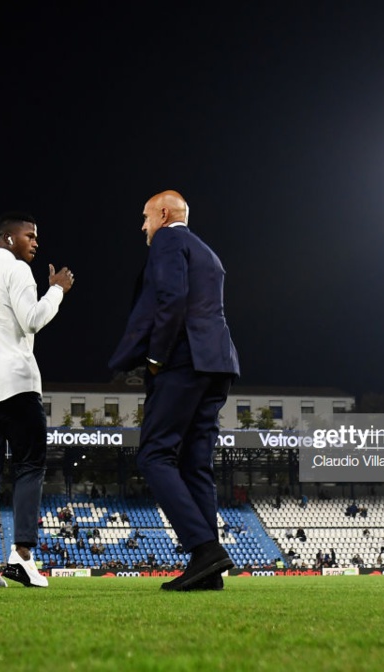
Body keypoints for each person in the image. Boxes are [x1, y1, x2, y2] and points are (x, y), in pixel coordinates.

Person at [109, 190, 239, 592]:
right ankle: (209, 569)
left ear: (163, 214)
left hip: (183, 361)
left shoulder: (168, 240)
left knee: (153, 455)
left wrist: (156, 358)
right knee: (196, 463)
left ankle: (203, 548)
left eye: (145, 217)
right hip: (218, 365)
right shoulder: (207, 251)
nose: (142, 226)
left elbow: (172, 298)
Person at [0, 211, 75, 588]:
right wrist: (56, 289)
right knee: (29, 467)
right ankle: (21, 556)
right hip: (17, 387)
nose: (36, 242)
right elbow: (33, 319)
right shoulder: (18, 271)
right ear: (8, 238)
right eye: (30, 235)